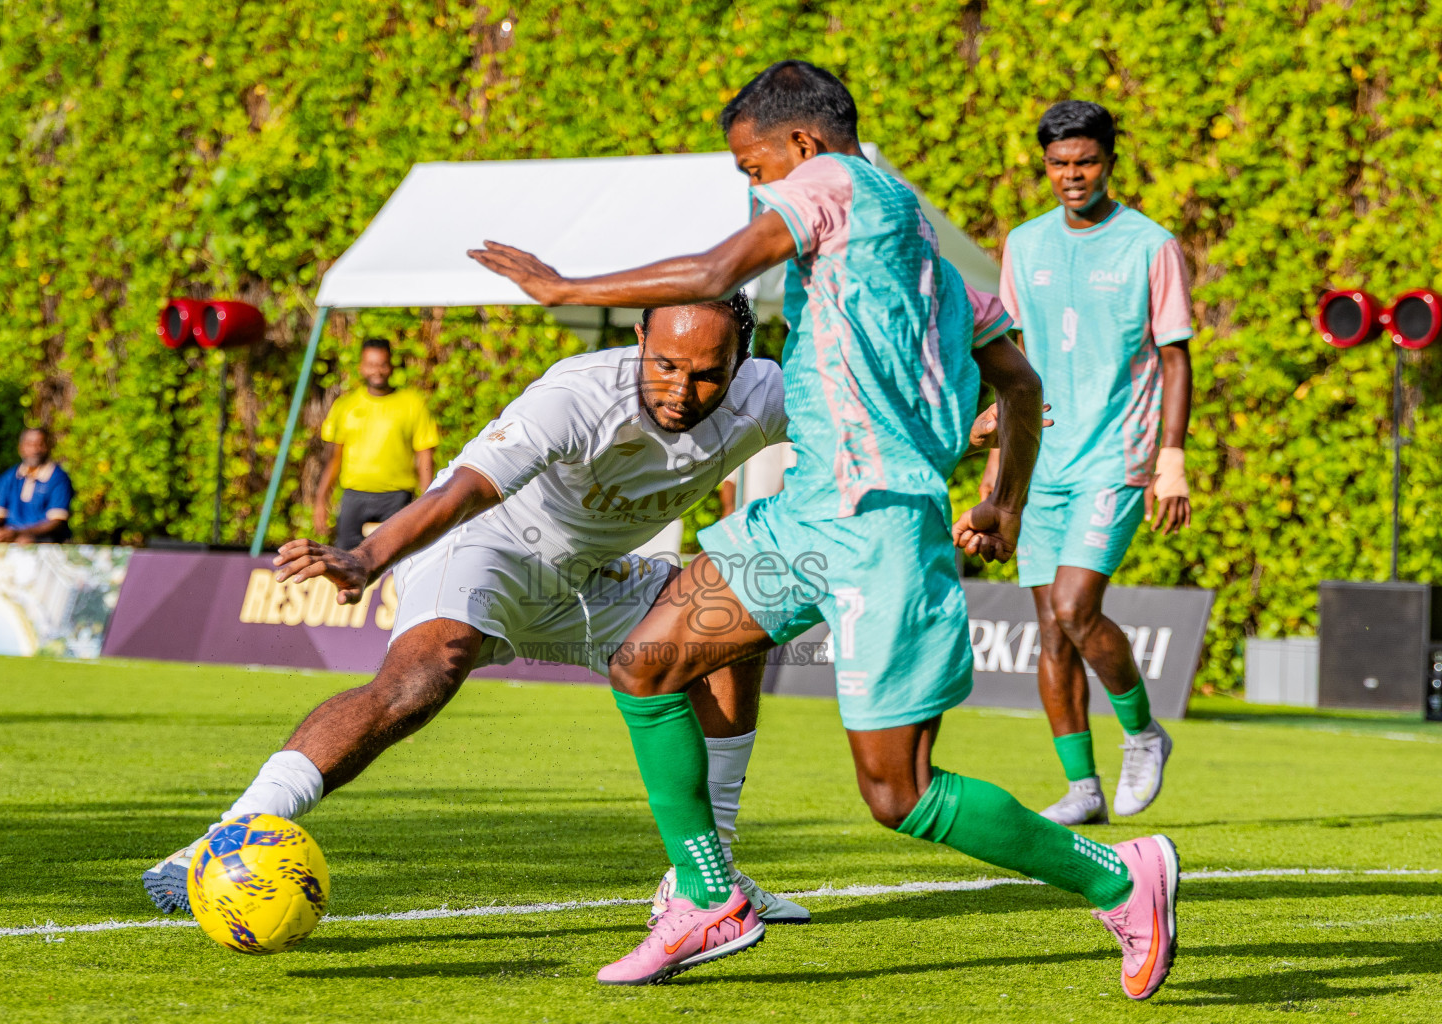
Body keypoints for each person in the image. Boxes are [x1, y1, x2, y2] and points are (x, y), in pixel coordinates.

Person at [472, 61, 1178, 999]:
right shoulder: (918, 256)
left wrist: (564, 290)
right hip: (812, 514)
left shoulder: (837, 182)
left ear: (801, 146)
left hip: (882, 531)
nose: (754, 189)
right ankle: (708, 897)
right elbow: (1020, 384)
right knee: (646, 666)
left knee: (900, 793)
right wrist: (1003, 502)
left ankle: (1124, 880)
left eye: (751, 166)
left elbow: (719, 271)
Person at [144, 295, 811, 926]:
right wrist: (367, 558)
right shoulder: (577, 394)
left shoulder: (769, 394)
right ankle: (223, 838)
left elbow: (877, 418)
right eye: (664, 364)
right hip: (489, 543)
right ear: (640, 340)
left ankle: (710, 876)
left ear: (741, 363)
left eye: (705, 375)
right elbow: (464, 491)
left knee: (729, 619)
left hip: (589, 578)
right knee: (419, 680)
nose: (679, 390)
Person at [987, 100, 1193, 827]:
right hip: (1042, 458)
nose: (1073, 176)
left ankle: (1143, 733)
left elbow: (1174, 356)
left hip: (1117, 456)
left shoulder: (1150, 245)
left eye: (1087, 162)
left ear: (1111, 161)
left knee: (1077, 606)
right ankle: (1082, 786)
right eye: (1059, 165)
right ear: (1044, 166)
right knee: (1050, 628)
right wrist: (998, 444)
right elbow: (1010, 354)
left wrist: (1172, 458)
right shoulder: (1025, 243)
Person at [315, 338, 439, 551]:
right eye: (371, 365)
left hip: (397, 498)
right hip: (355, 496)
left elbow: (425, 456)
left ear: (390, 366)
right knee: (346, 559)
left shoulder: (412, 404)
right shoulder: (345, 406)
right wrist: (320, 501)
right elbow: (333, 458)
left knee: (397, 558)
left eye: (382, 364)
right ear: (361, 367)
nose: (377, 371)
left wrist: (426, 502)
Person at [0, 427, 73, 543]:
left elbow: (56, 522)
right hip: (11, 537)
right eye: (30, 444)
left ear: (48, 447)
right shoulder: (11, 476)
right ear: (21, 448)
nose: (35, 450)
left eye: (40, 444)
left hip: (44, 541)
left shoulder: (58, 478)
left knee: (24, 542)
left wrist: (18, 533)